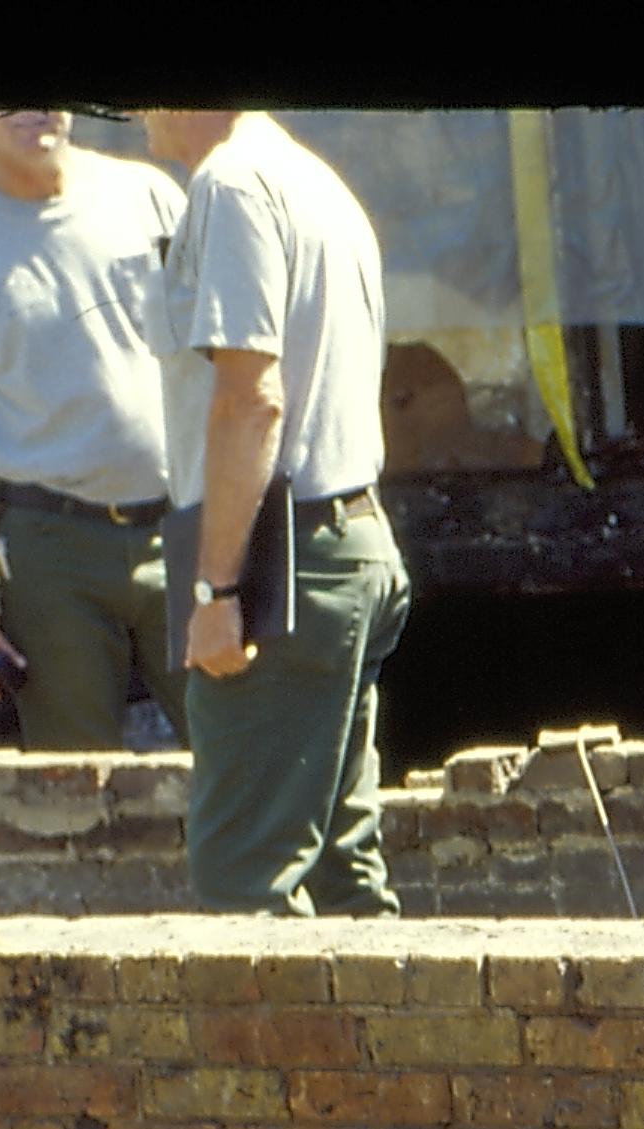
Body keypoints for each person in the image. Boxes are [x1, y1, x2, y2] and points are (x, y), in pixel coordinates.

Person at [138, 109, 405, 917]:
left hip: (281, 568)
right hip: (345, 543)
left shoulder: (231, 183)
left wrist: (217, 593)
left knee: (241, 888)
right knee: (342, 878)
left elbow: (251, 399)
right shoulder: (312, 180)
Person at [0, 109, 188, 752]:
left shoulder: (151, 198)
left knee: (241, 759)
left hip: (181, 529)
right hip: (51, 550)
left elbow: (220, 372)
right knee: (73, 781)